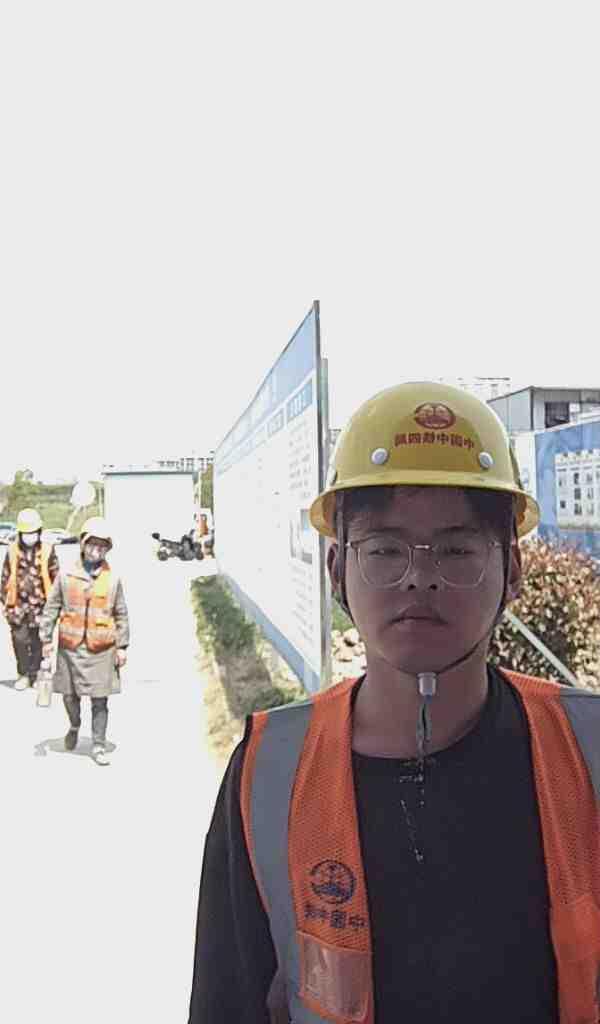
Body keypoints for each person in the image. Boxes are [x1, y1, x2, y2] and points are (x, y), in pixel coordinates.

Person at [187, 382, 600, 1024]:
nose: (420, 577)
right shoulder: (270, 775)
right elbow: (226, 1003)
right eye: (383, 549)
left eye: (458, 549)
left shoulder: (588, 750)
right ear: (336, 569)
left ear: (513, 570)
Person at [39, 516, 129, 766]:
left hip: (102, 649)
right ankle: (74, 725)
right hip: (70, 647)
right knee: (70, 696)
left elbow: (121, 613)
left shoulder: (113, 578)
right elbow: (51, 607)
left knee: (100, 700)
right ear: (83, 544)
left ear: (107, 549)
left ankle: (98, 744)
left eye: (102, 546)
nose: (96, 550)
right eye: (92, 544)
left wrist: (122, 646)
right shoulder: (66, 574)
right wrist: (46, 639)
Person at [0, 508, 59, 690]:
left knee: (38, 642)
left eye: (32, 532)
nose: (29, 536)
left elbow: (56, 577)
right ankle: (23, 674)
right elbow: (5, 577)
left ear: (39, 531)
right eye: (26, 532)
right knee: (19, 641)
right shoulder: (12, 550)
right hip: (17, 606)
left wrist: (57, 605)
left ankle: (35, 674)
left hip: (41, 606)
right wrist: (4, 602)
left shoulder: (48, 550)